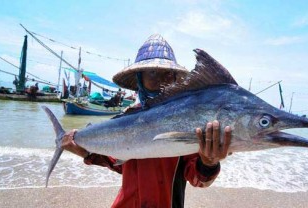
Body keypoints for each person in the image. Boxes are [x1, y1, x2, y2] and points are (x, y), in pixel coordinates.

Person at [62, 34, 232, 208]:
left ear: (175, 78)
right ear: (140, 79)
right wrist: (85, 152)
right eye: (152, 73)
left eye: (168, 74)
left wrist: (208, 162)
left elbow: (197, 179)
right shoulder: (128, 116)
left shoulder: (187, 118)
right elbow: (120, 162)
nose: (161, 80)